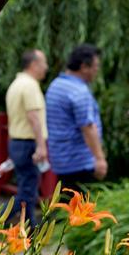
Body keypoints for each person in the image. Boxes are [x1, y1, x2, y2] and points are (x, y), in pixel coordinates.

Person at [45, 44, 107, 193]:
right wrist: (99, 159)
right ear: (84, 67)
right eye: (95, 66)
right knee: (81, 205)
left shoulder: (56, 85)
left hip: (60, 160)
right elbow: (88, 127)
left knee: (66, 202)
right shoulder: (78, 92)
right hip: (80, 162)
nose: (97, 71)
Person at [5, 49, 49, 228]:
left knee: (28, 192)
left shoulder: (16, 84)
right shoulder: (30, 85)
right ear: (34, 64)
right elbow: (33, 117)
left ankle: (31, 231)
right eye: (44, 63)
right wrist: (41, 146)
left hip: (17, 142)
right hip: (28, 144)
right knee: (27, 193)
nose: (46, 67)